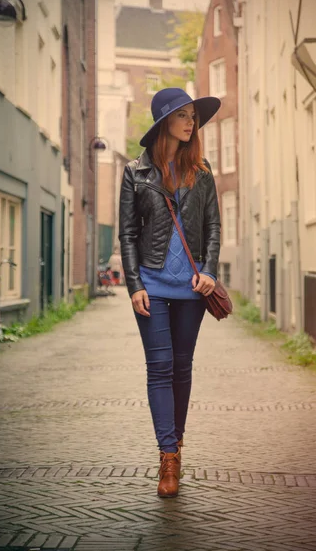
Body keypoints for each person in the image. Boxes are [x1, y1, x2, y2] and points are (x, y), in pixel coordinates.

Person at [119, 87, 221, 498]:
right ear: (165, 122)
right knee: (159, 368)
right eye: (184, 115)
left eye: (194, 116)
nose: (191, 122)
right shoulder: (135, 172)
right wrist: (134, 285)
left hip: (192, 290)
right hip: (152, 285)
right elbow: (127, 234)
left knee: (182, 368)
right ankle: (168, 458)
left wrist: (210, 271)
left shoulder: (204, 170)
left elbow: (213, 227)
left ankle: (175, 444)